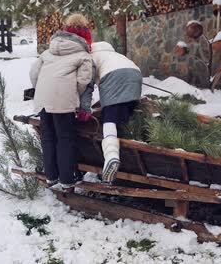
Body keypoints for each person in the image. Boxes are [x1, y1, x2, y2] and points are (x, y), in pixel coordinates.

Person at [29, 13, 94, 190]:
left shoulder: (48, 51)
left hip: (43, 100)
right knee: (65, 139)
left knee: (48, 138)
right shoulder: (83, 54)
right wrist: (73, 96)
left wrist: (41, 90)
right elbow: (84, 80)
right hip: (64, 101)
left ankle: (51, 177)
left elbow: (34, 73)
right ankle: (66, 179)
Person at [91, 41, 142, 183]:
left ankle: (111, 157)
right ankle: (130, 158)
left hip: (113, 77)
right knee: (125, 114)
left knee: (109, 118)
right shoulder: (115, 55)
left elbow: (88, 84)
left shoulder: (93, 56)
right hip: (135, 74)